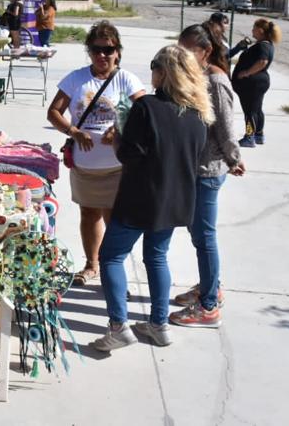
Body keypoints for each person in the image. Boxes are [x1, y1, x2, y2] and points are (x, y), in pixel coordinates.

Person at [91, 45, 212, 352]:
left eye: (155, 66)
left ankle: (118, 326)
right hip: (177, 198)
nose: (152, 72)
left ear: (164, 73)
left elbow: (130, 155)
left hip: (140, 197)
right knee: (156, 256)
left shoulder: (146, 107)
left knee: (111, 256)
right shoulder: (198, 113)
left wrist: (117, 136)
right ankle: (158, 324)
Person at [46, 21, 145, 287]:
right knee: (89, 214)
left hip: (116, 167)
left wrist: (121, 126)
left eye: (108, 49)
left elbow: (144, 112)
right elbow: (53, 112)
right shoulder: (77, 78)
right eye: (96, 49)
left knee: (114, 218)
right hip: (84, 166)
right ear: (89, 51)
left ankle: (112, 269)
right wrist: (74, 131)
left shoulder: (126, 79)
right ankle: (92, 264)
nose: (102, 55)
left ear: (118, 52)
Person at [170, 24, 245, 328]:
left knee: (204, 237)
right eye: (180, 50)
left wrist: (234, 157)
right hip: (195, 167)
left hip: (209, 170)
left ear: (206, 51)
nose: (183, 56)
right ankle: (209, 286)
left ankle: (209, 306)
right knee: (198, 233)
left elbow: (226, 127)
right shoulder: (198, 76)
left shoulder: (215, 80)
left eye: (189, 51)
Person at [231, 18, 281, 147]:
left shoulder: (263, 45)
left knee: (250, 111)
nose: (252, 30)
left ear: (260, 30)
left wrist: (246, 72)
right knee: (256, 109)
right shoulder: (265, 44)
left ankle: (249, 137)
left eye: (254, 28)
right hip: (256, 83)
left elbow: (262, 62)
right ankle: (259, 134)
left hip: (252, 84)